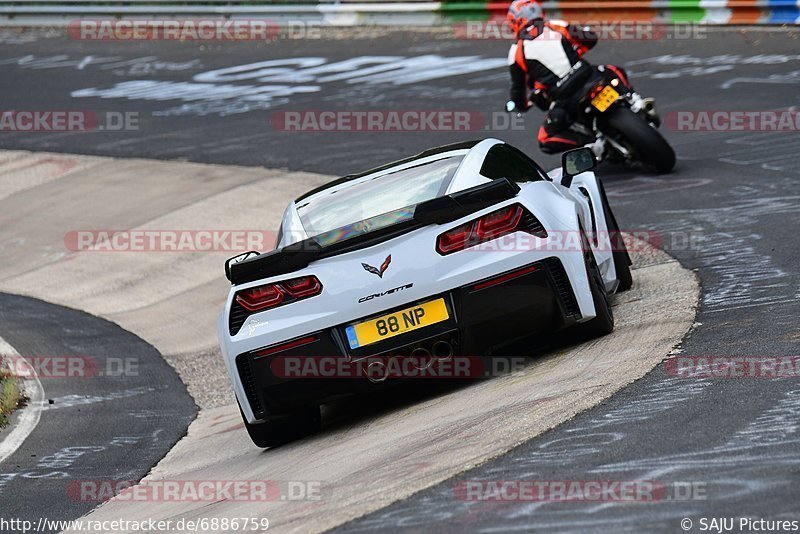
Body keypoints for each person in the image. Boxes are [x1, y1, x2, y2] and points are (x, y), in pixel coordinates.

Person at [505, 0, 652, 156]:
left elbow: (517, 88)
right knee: (613, 70)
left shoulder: (516, 51)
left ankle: (591, 145)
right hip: (589, 77)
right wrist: (577, 51)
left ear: (516, 21)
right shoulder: (556, 25)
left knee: (546, 139)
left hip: (565, 99)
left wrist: (521, 105)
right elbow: (590, 38)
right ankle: (634, 101)